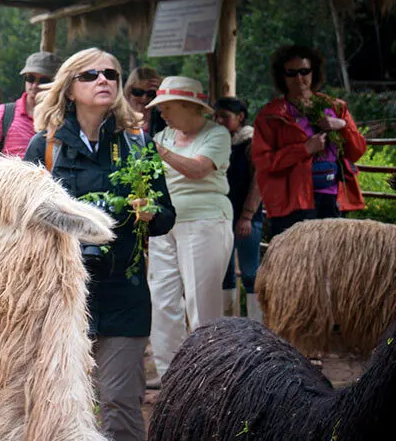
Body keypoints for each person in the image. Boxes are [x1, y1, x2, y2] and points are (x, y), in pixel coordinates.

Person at [24, 48, 175, 441]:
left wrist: (150, 213)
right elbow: (20, 220)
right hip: (61, 295)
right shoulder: (46, 147)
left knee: (122, 401)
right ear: (70, 89)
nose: (103, 79)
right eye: (90, 75)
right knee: (59, 401)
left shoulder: (138, 145)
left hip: (124, 292)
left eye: (111, 73)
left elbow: (167, 217)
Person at [146, 76, 233, 388]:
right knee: (162, 296)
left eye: (168, 107)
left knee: (201, 298)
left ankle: (208, 373)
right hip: (164, 222)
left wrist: (160, 152)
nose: (163, 114)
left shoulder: (217, 134)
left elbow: (198, 170)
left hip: (205, 221)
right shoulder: (163, 135)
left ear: (190, 107)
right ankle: (170, 373)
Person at [253, 45, 366, 238]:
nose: (299, 78)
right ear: (283, 76)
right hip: (292, 201)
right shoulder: (270, 116)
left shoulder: (335, 108)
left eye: (305, 71)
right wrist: (304, 149)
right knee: (293, 261)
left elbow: (357, 151)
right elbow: (263, 161)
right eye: (292, 73)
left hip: (332, 196)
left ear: (314, 72)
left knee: (330, 259)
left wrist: (342, 125)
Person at [214, 97, 263, 320]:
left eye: (225, 116)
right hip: (223, 215)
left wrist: (247, 215)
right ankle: (228, 323)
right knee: (225, 274)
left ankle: (256, 324)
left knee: (251, 273)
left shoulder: (251, 142)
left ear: (240, 117)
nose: (219, 121)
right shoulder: (219, 143)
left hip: (246, 217)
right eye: (216, 116)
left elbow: (258, 181)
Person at [0, 51, 61, 157]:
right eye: (30, 78)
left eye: (44, 80)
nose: (35, 85)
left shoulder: (65, 119)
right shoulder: (0, 114)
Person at [124, 66, 166, 135]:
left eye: (151, 93)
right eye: (138, 92)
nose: (144, 98)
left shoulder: (163, 119)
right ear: (129, 91)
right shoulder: (116, 117)